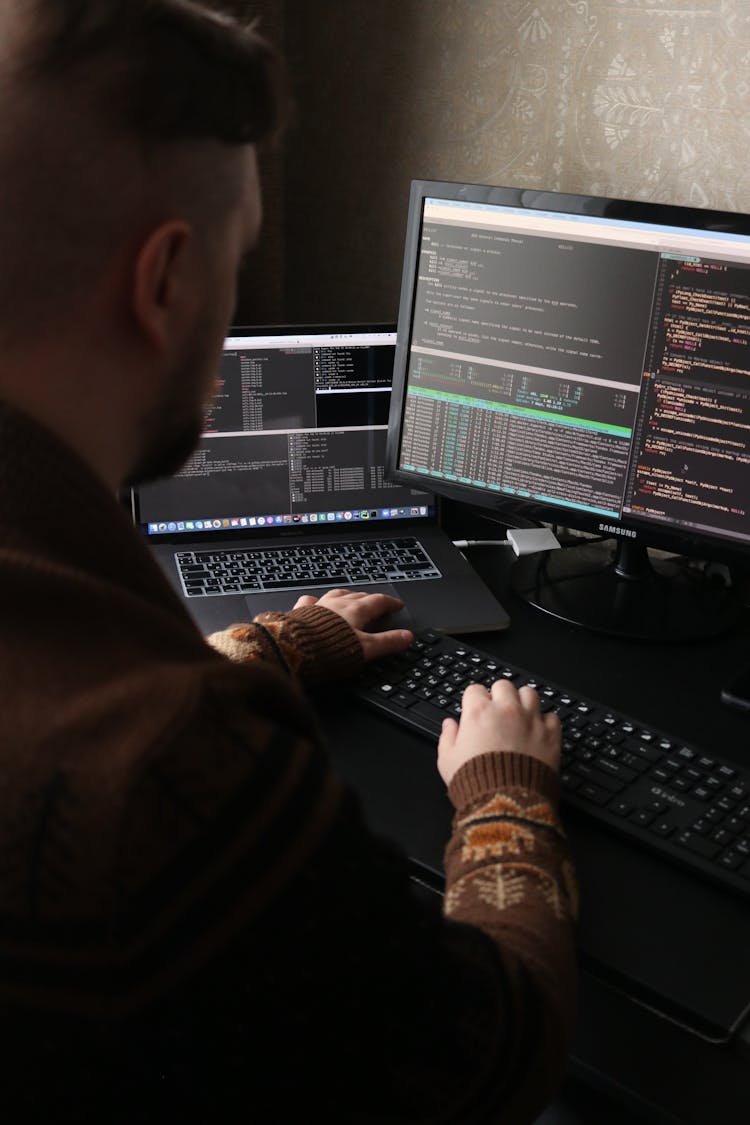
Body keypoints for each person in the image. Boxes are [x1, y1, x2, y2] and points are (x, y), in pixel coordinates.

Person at [0, 2, 578, 1122]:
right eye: (237, 255)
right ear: (165, 280)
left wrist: (260, 647)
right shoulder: (184, 774)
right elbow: (489, 1059)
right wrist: (504, 798)